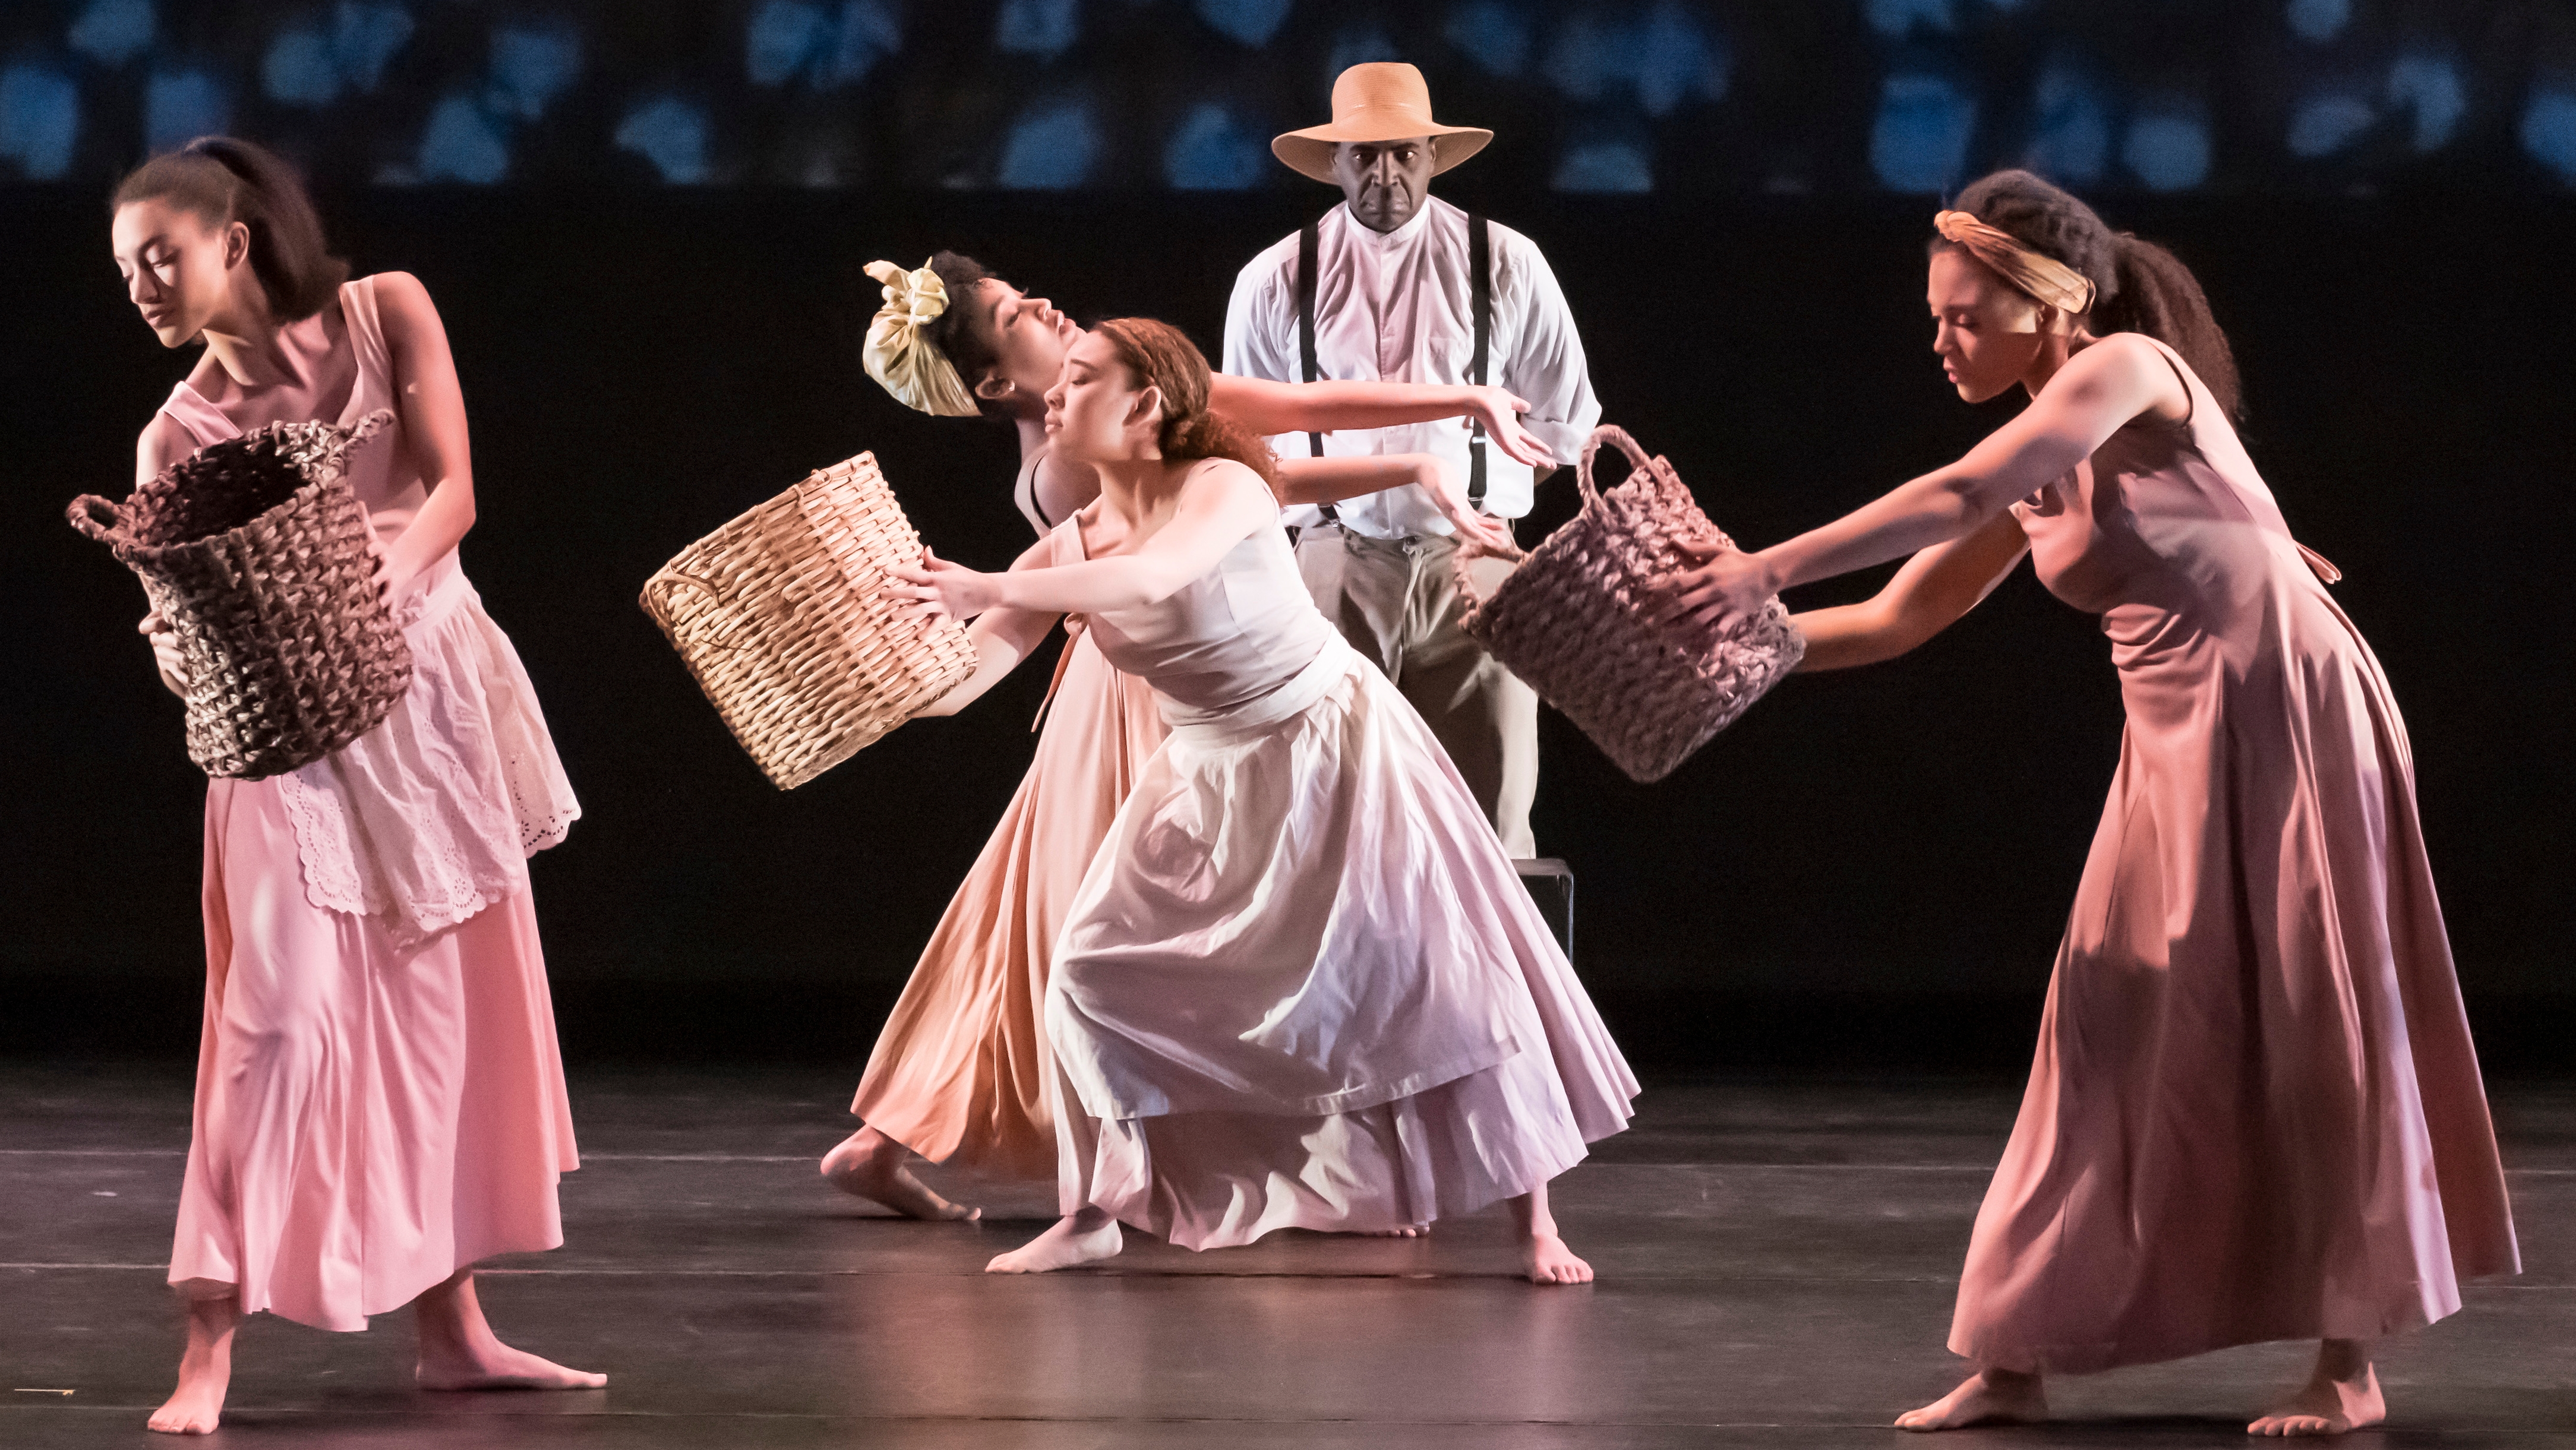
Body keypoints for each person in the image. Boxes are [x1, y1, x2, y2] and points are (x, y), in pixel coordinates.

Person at [1652, 169, 2517, 1435]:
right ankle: (2016, 1355)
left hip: (2281, 709)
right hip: (2173, 738)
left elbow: (1950, 490)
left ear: (2048, 305)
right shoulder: (2039, 456)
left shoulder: (2121, 372)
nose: (1938, 341)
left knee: (2305, 1007)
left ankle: (2346, 1365)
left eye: (1962, 317)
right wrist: (1726, 641)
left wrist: (1758, 565)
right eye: (1933, 316)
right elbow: (1898, 620)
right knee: (2099, 1016)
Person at [888, 318, 1636, 1282]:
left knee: (1442, 972)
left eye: (1078, 380)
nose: (1056, 399)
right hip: (1204, 772)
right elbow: (966, 678)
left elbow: (1155, 573)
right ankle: (1091, 1211)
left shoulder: (1225, 485)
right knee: (1084, 976)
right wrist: (889, 645)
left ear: (1146, 404)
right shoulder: (1064, 549)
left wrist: (981, 580)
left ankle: (1535, 1222)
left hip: (1332, 741)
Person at [109, 138, 599, 1434]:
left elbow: (452, 492)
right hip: (294, 750)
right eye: (126, 270)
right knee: (272, 1027)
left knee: (442, 1015)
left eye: (161, 256)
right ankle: (208, 1339)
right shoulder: (180, 434)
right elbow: (174, 631)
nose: (145, 286)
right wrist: (200, 658)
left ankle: (455, 1328)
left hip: (427, 699)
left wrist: (363, 590)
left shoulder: (387, 311)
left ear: (236, 240)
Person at [1224, 61, 1603, 858]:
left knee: (1491, 818)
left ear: (1434, 155)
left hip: (1474, 555)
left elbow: (1565, 421)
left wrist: (1482, 501)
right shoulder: (1273, 278)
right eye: (1364, 155)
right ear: (1334, 162)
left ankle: (1493, 981)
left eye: (1403, 153)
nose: (1385, 174)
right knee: (1323, 813)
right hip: (1334, 553)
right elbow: (1245, 447)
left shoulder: (1506, 262)